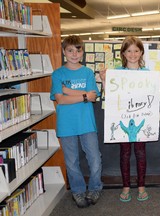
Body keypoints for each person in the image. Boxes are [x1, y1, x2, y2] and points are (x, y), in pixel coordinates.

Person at [50, 35, 103, 208]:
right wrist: (84, 96)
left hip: (87, 123)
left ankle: (95, 188)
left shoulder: (87, 72)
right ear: (64, 52)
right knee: (71, 162)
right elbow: (60, 100)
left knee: (95, 159)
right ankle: (78, 191)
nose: (74, 54)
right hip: (66, 125)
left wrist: (68, 90)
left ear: (82, 52)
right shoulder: (58, 74)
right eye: (70, 50)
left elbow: (93, 97)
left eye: (78, 50)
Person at [100, 36, 150, 202]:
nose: (133, 54)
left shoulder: (147, 73)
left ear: (141, 52)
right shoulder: (117, 73)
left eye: (136, 50)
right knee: (125, 153)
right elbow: (111, 96)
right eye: (129, 51)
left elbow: (152, 95)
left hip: (141, 117)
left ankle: (141, 186)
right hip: (124, 118)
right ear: (123, 53)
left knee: (141, 153)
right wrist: (104, 80)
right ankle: (126, 186)